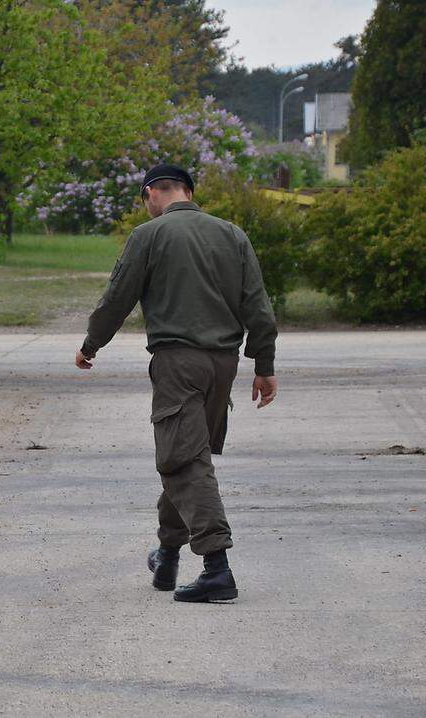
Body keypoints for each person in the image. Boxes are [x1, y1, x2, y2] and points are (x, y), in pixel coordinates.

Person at [75, 163, 277, 603]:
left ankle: (216, 568)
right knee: (186, 455)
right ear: (188, 191)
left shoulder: (148, 236)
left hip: (178, 362)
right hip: (223, 365)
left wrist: (91, 345)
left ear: (152, 194)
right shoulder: (232, 234)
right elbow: (258, 305)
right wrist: (264, 364)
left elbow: (117, 299)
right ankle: (167, 555)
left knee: (184, 461)